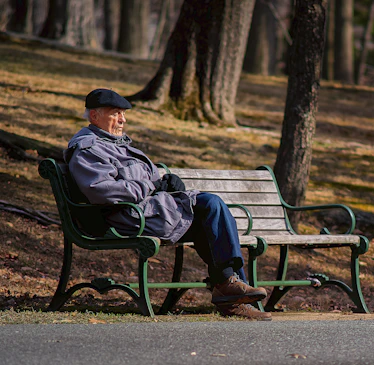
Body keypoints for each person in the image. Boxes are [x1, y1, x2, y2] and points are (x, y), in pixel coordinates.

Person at [64, 88, 271, 321]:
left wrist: (168, 183)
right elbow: (101, 191)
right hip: (126, 218)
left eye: (123, 113)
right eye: (116, 113)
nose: (123, 119)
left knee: (211, 212)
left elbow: (146, 179)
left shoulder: (117, 144)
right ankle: (231, 287)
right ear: (94, 116)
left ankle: (231, 290)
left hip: (148, 212)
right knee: (210, 205)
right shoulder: (89, 149)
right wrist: (152, 187)